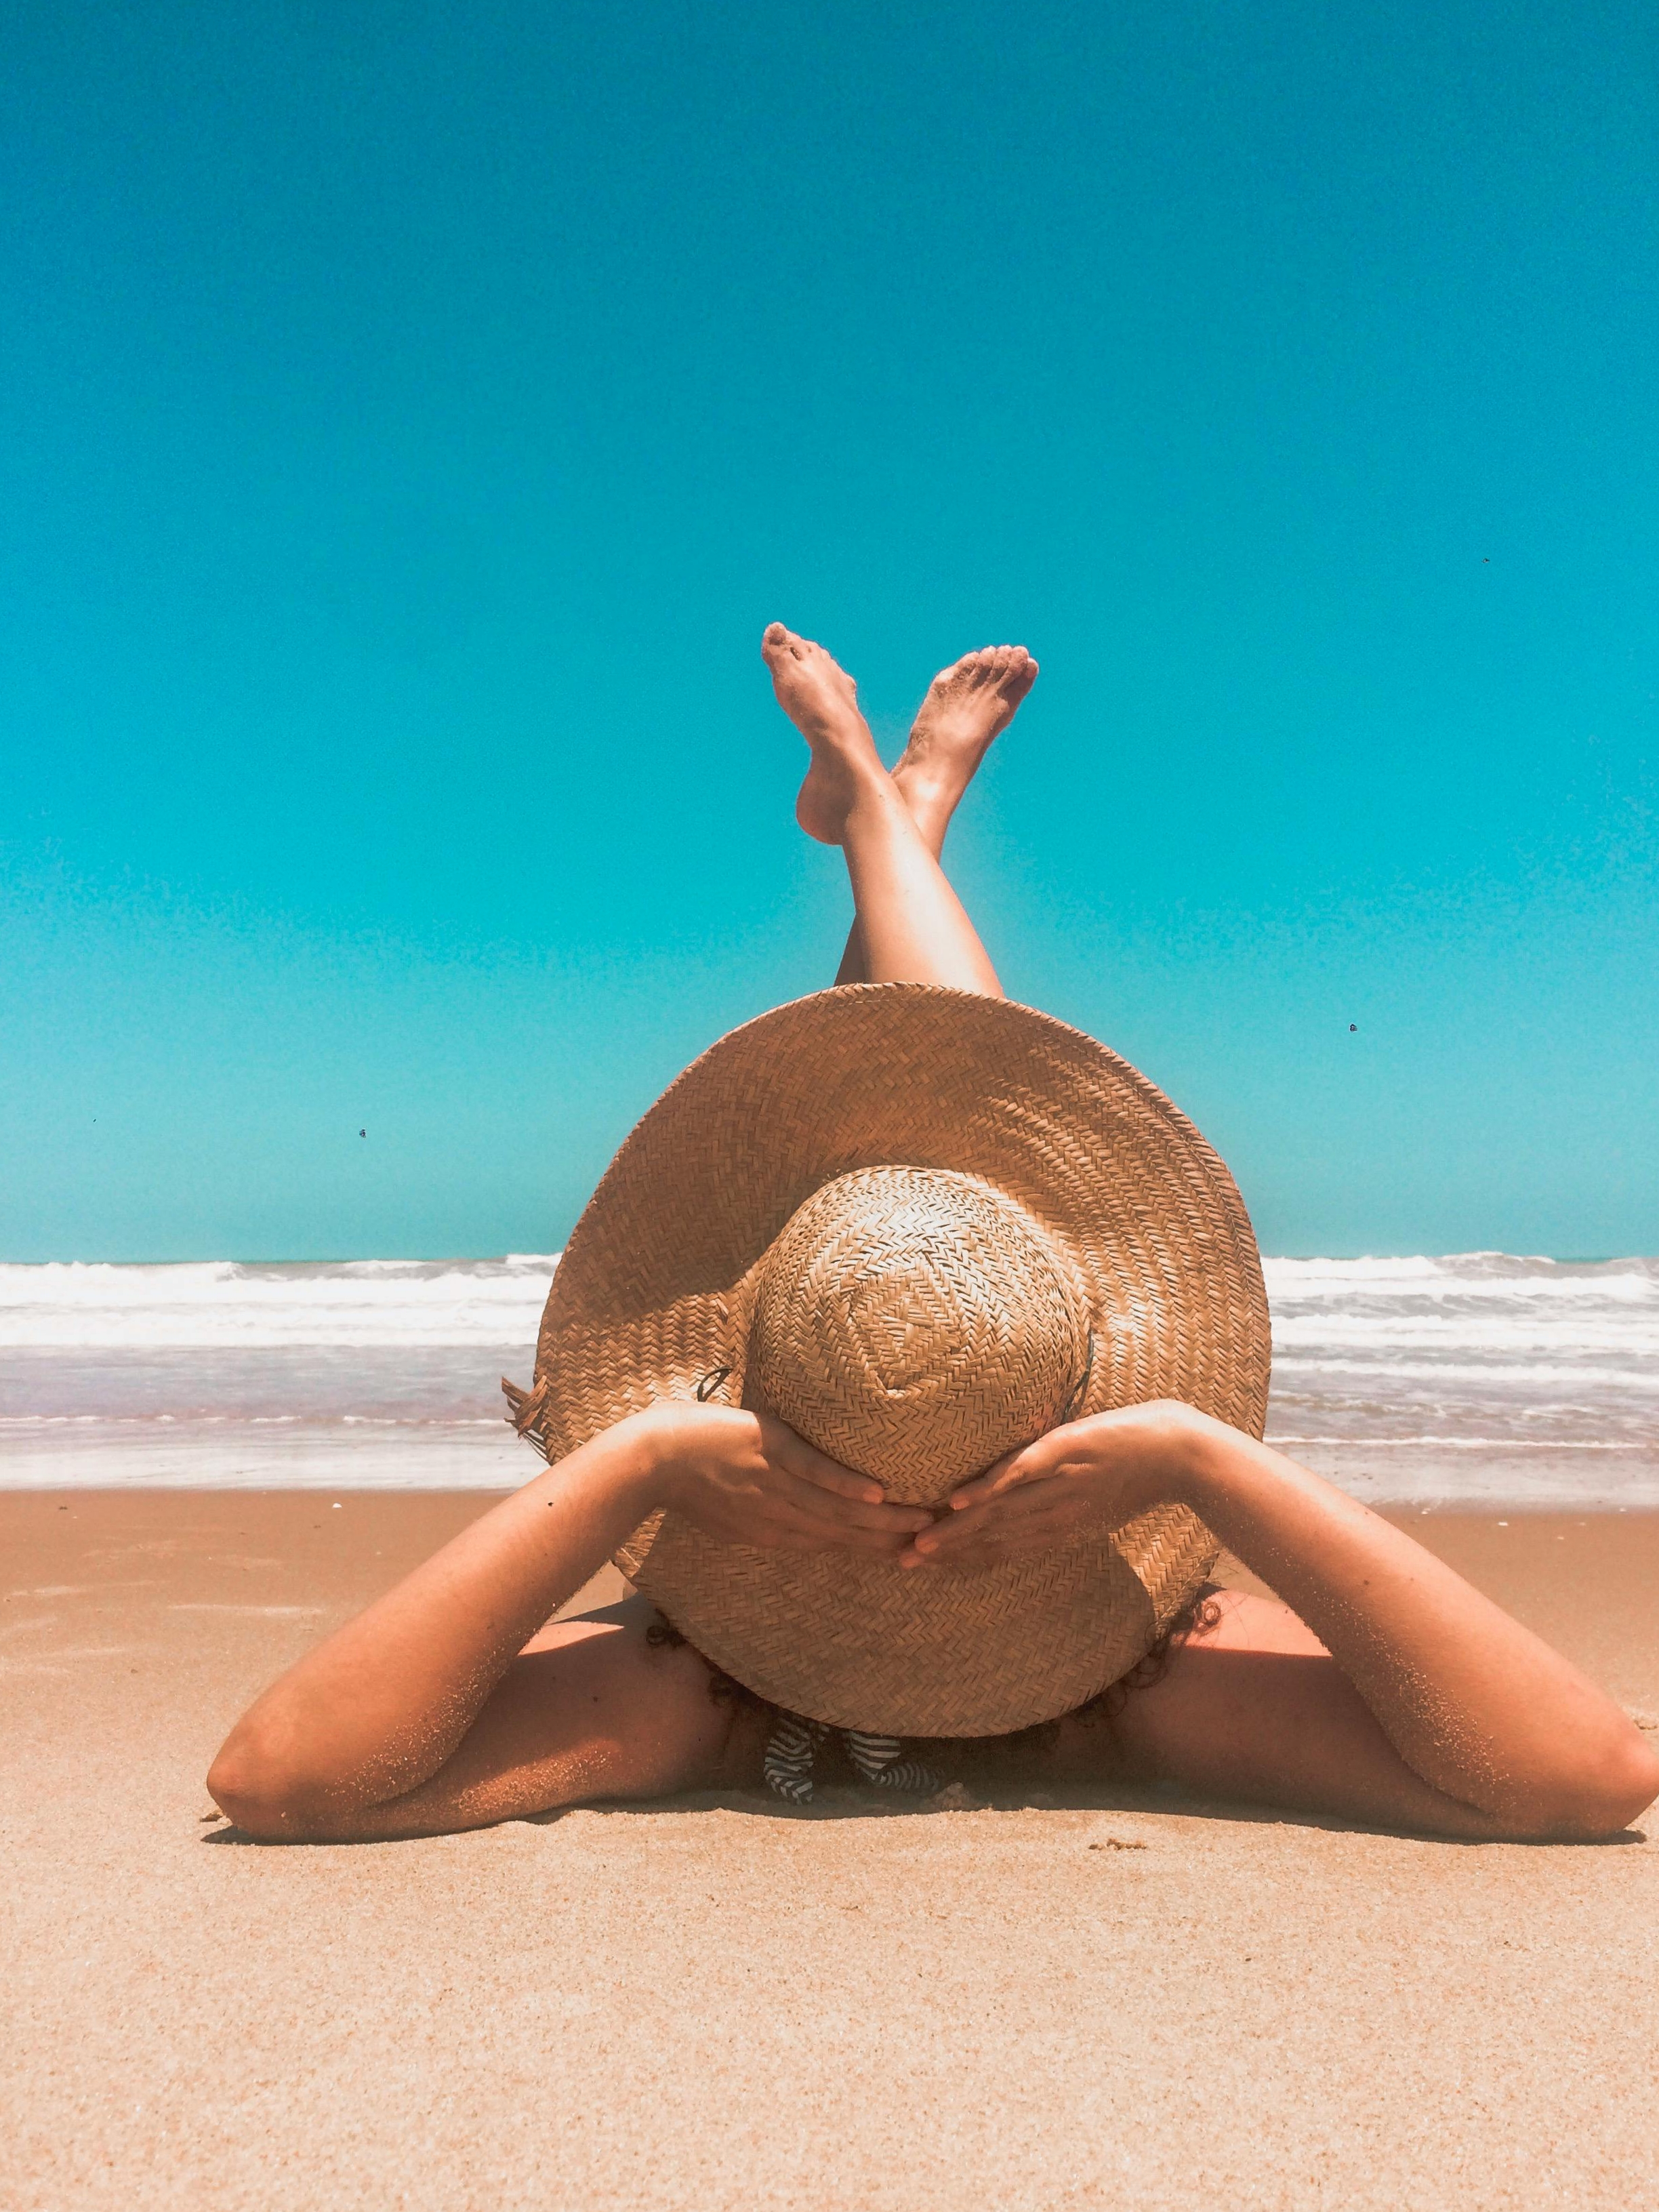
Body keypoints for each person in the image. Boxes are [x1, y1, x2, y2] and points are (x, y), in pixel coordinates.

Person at [207, 626, 1658, 1845]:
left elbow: (1588, 1778)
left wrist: (632, 1467)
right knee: (922, 1185)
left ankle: (887, 818)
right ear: (1091, 1419)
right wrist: (1202, 1459)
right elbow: (275, 1782)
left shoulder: (692, 1686)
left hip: (812, 1562)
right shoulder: (1126, 1666)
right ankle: (892, 819)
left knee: (912, 1172)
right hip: (988, 1556)